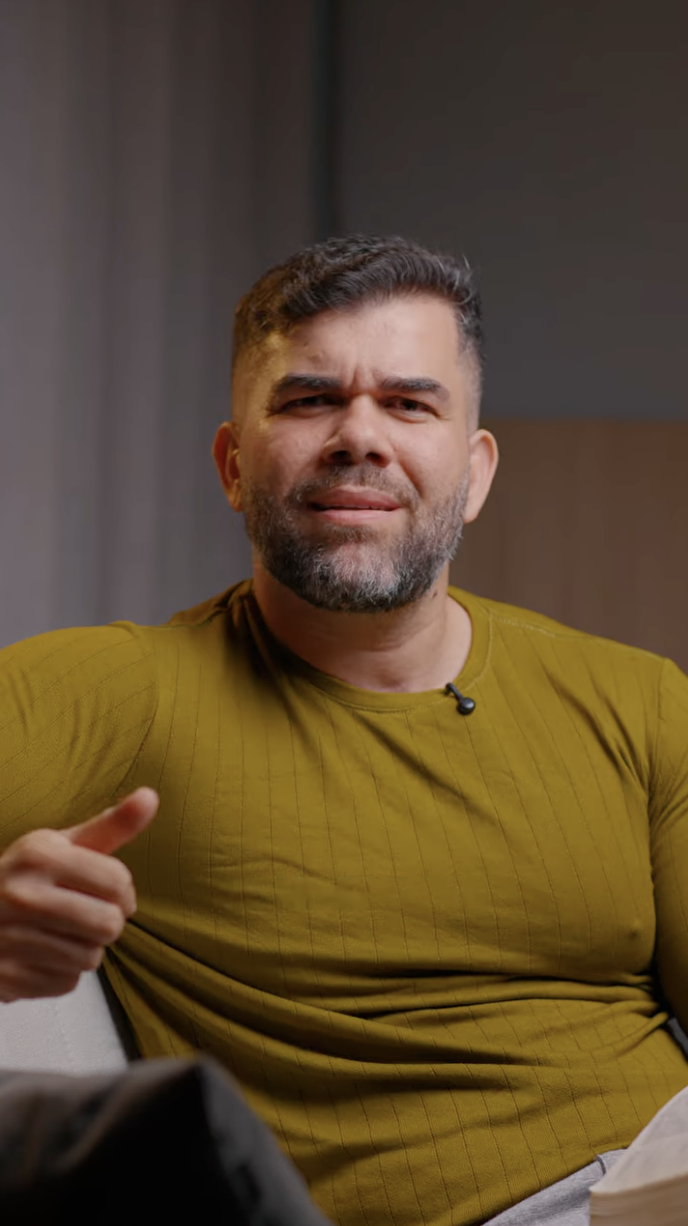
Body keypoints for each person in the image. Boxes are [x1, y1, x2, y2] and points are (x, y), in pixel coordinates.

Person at [1, 234, 687, 1226]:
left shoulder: (639, 701)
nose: (359, 435)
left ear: (475, 473)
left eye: (409, 403)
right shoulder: (117, 693)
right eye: (309, 399)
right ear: (233, 466)